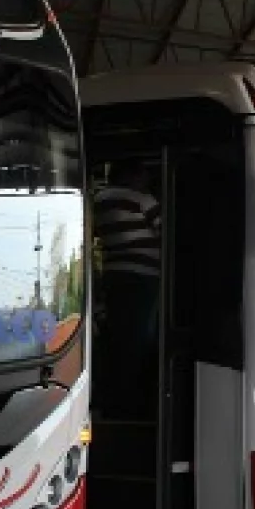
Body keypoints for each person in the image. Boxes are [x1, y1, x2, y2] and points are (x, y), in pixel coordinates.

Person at [94, 161, 162, 415]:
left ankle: (112, 398)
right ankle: (133, 402)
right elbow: (167, 234)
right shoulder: (143, 199)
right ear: (132, 175)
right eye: (144, 173)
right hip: (144, 278)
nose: (147, 179)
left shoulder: (99, 200)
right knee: (141, 339)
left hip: (114, 275)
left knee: (118, 336)